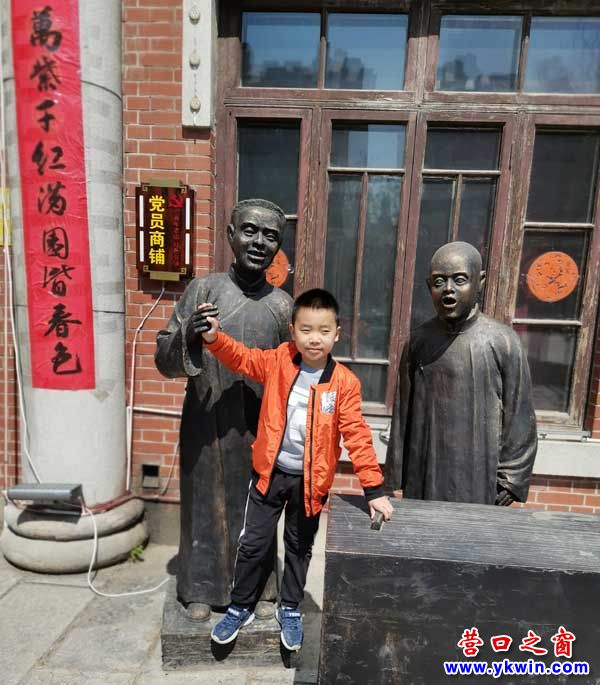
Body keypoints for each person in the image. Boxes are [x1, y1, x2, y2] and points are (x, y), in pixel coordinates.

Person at [196, 289, 393, 651]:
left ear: (337, 334)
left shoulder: (344, 383)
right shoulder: (279, 361)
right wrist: (213, 338)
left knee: (299, 548)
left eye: (323, 330)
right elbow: (242, 358)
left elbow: (357, 435)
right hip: (269, 476)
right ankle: (240, 606)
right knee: (252, 545)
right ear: (293, 331)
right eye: (306, 329)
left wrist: (374, 490)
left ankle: (290, 607)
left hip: (310, 484)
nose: (314, 338)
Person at [155, 199, 293, 621]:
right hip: (207, 420)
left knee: (257, 507)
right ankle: (201, 586)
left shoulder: (282, 305)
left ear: (278, 247)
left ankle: (260, 587)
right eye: (250, 231)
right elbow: (163, 358)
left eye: (270, 236)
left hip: (259, 424)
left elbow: (293, 368)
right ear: (231, 235)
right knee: (204, 503)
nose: (259, 242)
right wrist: (188, 335)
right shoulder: (203, 290)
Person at [385, 241, 537, 506]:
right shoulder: (418, 341)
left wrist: (511, 480)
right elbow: (402, 415)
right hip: (424, 471)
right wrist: (394, 475)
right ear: (429, 287)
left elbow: (520, 416)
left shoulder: (503, 341)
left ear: (480, 282)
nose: (448, 289)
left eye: (459, 280)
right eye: (439, 282)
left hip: (480, 475)